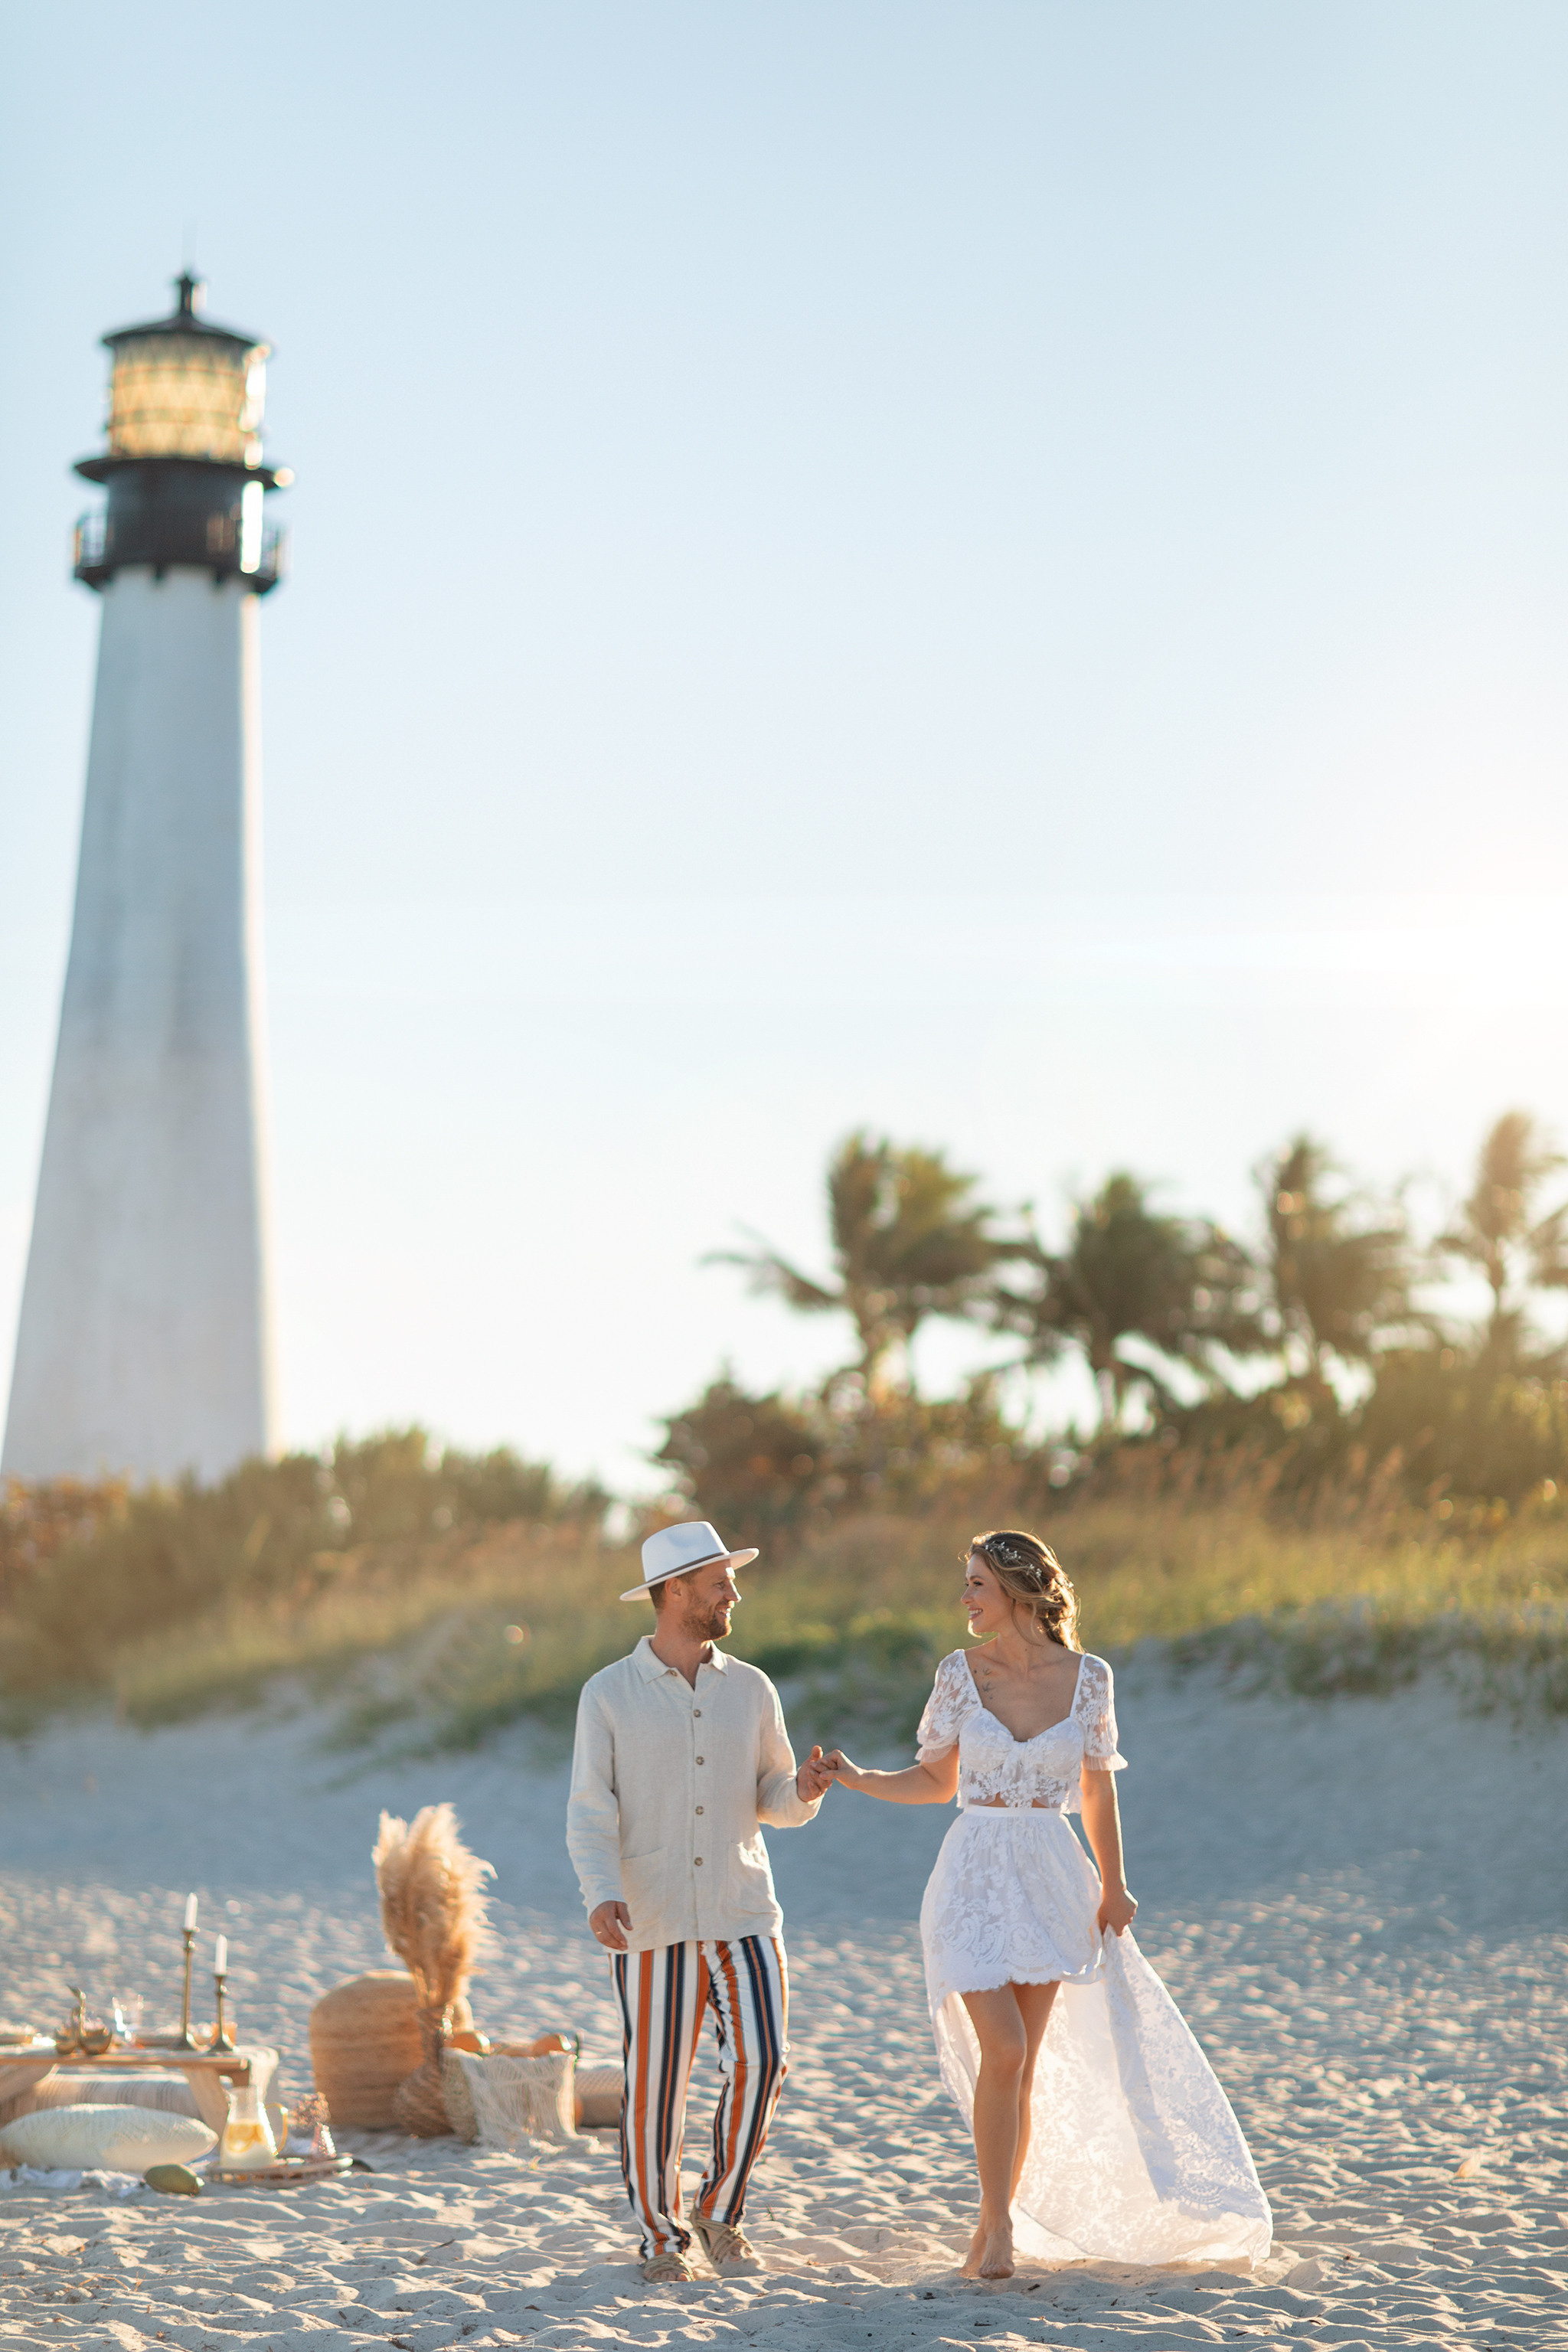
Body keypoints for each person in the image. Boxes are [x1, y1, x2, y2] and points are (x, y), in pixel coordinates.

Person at [823, 1528, 1272, 2278]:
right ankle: (995, 2225)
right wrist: (856, 1775)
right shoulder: (958, 1675)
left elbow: (1097, 1786)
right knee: (1000, 2048)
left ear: (1014, 1590)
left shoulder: (1089, 1677)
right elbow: (935, 1781)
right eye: (963, 1583)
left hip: (1050, 1876)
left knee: (1020, 2067)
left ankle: (993, 2225)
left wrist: (1113, 1882)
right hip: (971, 1876)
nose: (962, 1597)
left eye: (974, 1583)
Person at [567, 1518, 834, 2285]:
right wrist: (600, 1895)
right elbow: (589, 1812)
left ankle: (718, 2210)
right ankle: (660, 2240)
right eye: (719, 1583)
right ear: (675, 1592)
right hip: (649, 1916)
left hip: (742, 1909)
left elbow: (771, 1796)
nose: (733, 1594)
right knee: (654, 2085)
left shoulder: (750, 1688)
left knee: (766, 2059)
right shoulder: (607, 1695)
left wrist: (803, 1791)